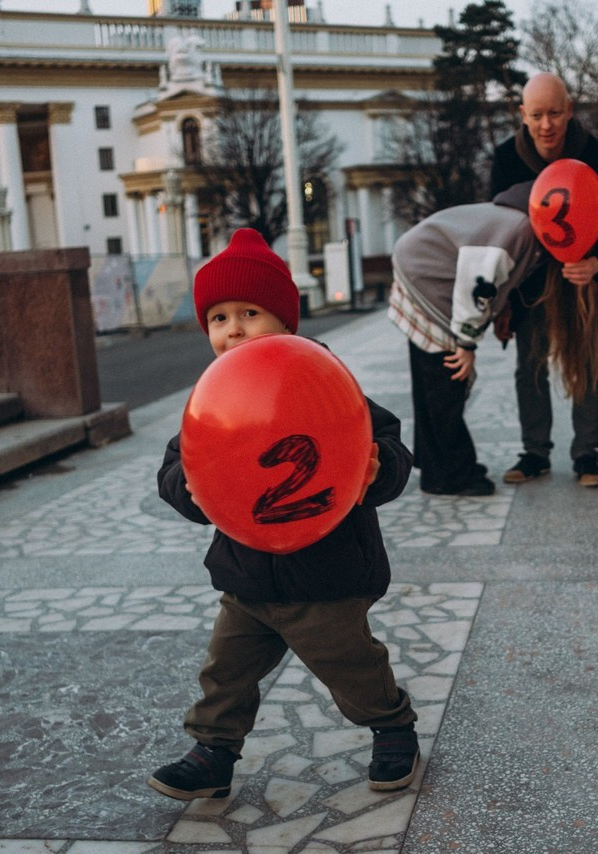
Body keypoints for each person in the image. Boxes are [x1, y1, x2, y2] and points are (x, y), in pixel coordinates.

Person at [148, 228, 420, 801]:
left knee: (351, 668)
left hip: (327, 574)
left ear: (286, 322)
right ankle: (213, 752)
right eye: (219, 318)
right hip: (246, 575)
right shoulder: (215, 394)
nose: (234, 329)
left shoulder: (318, 374)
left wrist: (377, 469)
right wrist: (189, 489)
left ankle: (392, 726)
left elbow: (388, 441)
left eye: (250, 312)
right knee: (225, 672)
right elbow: (178, 461)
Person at [489, 72, 598, 489]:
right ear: (523, 115)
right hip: (531, 283)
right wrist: (502, 299)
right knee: (529, 368)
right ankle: (535, 452)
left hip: (586, 281)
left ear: (570, 110)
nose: (547, 124)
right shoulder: (505, 158)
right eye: (537, 115)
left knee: (591, 365)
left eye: (555, 112)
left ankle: (587, 454)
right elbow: (497, 229)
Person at [388, 183, 545, 496]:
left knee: (430, 383)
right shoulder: (519, 229)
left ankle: (435, 467)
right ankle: (455, 474)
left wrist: (501, 311)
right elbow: (476, 288)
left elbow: (495, 282)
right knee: (447, 382)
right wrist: (466, 345)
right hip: (430, 281)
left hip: (420, 268)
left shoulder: (510, 221)